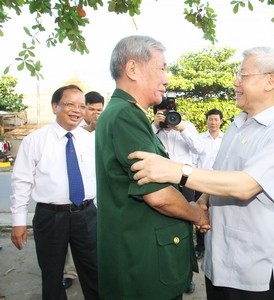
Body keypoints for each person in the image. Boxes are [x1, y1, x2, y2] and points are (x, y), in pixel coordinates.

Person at [128, 46, 274, 300]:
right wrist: (203, 200)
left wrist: (176, 171)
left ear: (270, 81)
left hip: (251, 266)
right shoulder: (237, 125)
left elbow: (245, 186)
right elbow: (219, 173)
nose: (235, 81)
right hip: (218, 258)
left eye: (243, 75)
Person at [95, 35, 209, 300]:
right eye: (162, 68)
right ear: (132, 69)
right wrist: (196, 214)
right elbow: (157, 195)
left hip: (138, 255)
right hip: (143, 264)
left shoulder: (125, 112)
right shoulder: (125, 115)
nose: (166, 78)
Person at [10, 84, 99, 299]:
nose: (76, 110)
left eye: (81, 106)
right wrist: (18, 221)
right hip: (50, 217)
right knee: (52, 276)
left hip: (87, 215)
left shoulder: (91, 140)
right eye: (69, 104)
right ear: (55, 107)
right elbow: (21, 182)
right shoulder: (35, 140)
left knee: (95, 274)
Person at [152, 98, 204, 294]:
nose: (168, 117)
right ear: (157, 113)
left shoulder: (186, 126)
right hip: (161, 186)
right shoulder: (152, 130)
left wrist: (182, 129)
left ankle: (187, 277)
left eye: (170, 112)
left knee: (186, 233)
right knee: (163, 233)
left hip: (185, 183)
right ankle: (164, 275)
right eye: (163, 113)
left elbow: (199, 149)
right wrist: (155, 126)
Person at [63, 90, 105, 289]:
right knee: (70, 243)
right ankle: (69, 273)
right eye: (91, 109)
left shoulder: (104, 129)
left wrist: (99, 129)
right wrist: (92, 129)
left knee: (92, 244)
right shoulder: (71, 130)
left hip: (96, 195)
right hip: (73, 200)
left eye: (99, 110)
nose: (95, 113)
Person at [192, 108, 224, 259]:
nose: (213, 123)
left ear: (221, 121)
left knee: (218, 216)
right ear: (206, 121)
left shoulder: (226, 140)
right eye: (210, 119)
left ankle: (217, 247)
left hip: (219, 183)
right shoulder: (199, 139)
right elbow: (193, 160)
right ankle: (200, 246)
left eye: (216, 120)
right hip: (201, 183)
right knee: (201, 214)